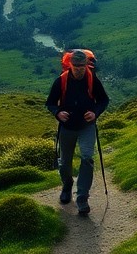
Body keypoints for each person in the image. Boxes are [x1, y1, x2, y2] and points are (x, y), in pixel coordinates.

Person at [45, 48, 110, 215]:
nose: (80, 69)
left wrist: (95, 112)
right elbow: (51, 103)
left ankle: (82, 198)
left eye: (82, 66)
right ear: (70, 65)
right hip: (67, 127)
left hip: (86, 126)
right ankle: (67, 187)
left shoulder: (92, 79)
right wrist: (58, 112)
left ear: (86, 65)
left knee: (87, 157)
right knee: (65, 162)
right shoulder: (61, 81)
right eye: (76, 66)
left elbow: (103, 100)